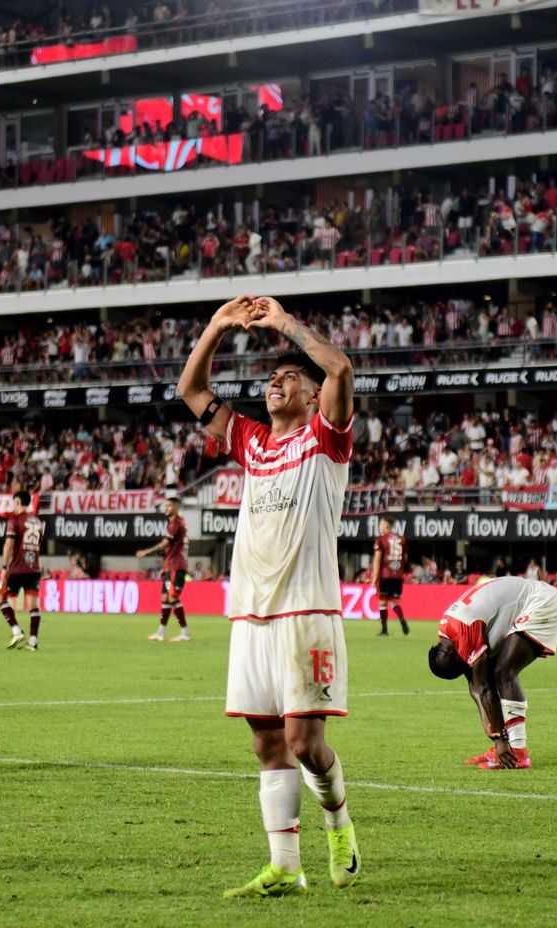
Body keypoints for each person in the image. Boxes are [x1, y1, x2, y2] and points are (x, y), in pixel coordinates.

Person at [179, 295, 360, 898]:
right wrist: (216, 327)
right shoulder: (253, 442)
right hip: (251, 614)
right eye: (272, 376)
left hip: (307, 608)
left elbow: (339, 370)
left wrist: (283, 324)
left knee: (306, 744)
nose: (275, 381)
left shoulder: (326, 438)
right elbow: (192, 391)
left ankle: (338, 820)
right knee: (265, 743)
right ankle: (286, 866)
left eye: (289, 378)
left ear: (312, 397)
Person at [426, 576, 557, 770]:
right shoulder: (448, 636)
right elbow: (476, 684)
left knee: (503, 672)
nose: (465, 665)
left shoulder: (463, 630)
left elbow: (483, 687)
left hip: (542, 601)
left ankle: (518, 752)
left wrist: (500, 739)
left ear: (450, 653)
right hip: (529, 601)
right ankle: (509, 748)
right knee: (492, 673)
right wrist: (495, 735)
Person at [136, 495, 191, 642]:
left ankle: (185, 632)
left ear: (176, 507)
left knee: (173, 597)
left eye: (169, 506)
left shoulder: (176, 523)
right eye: (166, 506)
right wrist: (165, 567)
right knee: (165, 598)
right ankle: (160, 633)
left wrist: (146, 552)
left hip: (176, 567)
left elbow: (165, 544)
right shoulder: (175, 523)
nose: (166, 508)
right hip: (170, 567)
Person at [0, 490, 45, 651]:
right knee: (33, 605)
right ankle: (32, 641)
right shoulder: (38, 522)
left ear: (17, 502)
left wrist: (4, 567)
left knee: (0, 598)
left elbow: (9, 545)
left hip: (16, 569)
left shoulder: (15, 520)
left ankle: (16, 631)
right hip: (34, 569)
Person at [371, 517, 408, 636]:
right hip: (398, 575)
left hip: (385, 575)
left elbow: (377, 560)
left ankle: (384, 630)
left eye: (381, 524)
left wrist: (375, 577)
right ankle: (401, 618)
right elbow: (405, 558)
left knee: (382, 601)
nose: (379, 526)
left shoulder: (381, 539)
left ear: (386, 526)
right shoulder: (402, 539)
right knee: (393, 601)